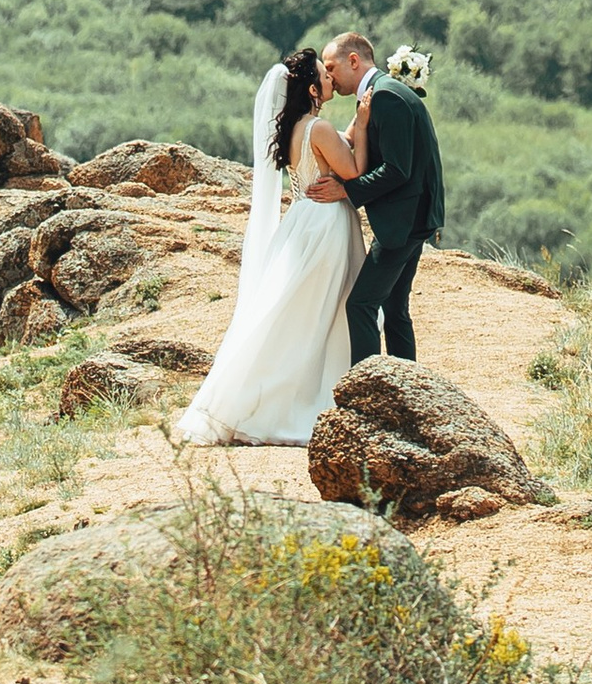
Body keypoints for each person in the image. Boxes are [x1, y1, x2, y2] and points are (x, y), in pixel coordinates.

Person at [174, 47, 368, 447]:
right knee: (322, 311)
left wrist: (348, 130)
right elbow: (353, 170)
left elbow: (330, 153)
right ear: (313, 89)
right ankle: (304, 399)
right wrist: (363, 126)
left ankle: (265, 393)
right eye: (325, 76)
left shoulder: (297, 128)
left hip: (301, 220)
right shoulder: (320, 130)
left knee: (296, 311)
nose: (331, 78)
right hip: (326, 225)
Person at [316, 31, 444, 363]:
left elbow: (397, 169)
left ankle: (368, 390)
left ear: (354, 61)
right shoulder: (378, 96)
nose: (328, 76)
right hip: (415, 217)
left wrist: (346, 191)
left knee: (360, 305)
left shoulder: (386, 97)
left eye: (331, 67)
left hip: (403, 222)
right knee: (395, 308)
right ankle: (408, 387)